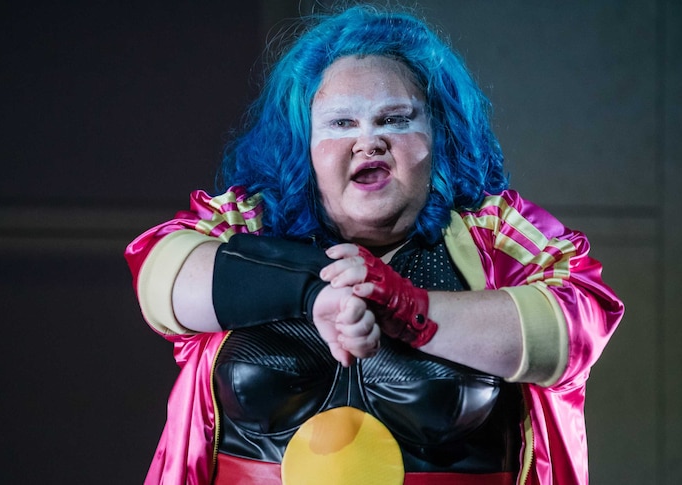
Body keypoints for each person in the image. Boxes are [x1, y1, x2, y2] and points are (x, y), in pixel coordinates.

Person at [125, 5, 623, 485]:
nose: (369, 142)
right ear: (304, 145)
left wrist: (407, 305)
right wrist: (313, 289)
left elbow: (577, 322)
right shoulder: (248, 222)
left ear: (439, 136)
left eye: (395, 120)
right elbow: (159, 276)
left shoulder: (491, 231)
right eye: (342, 123)